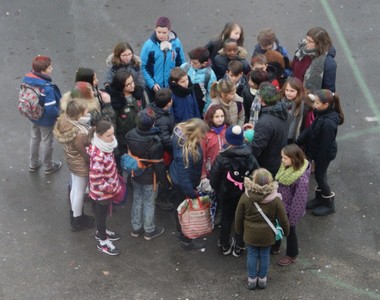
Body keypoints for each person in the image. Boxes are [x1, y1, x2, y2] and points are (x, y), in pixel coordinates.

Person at [235, 168, 289, 290]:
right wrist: (286, 231)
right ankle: (262, 280)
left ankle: (252, 280)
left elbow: (238, 216)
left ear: (253, 180)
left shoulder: (245, 196)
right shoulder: (275, 199)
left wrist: (239, 231)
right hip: (267, 235)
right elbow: (283, 219)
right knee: (265, 255)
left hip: (250, 234)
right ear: (270, 181)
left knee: (252, 254)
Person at [210, 125, 259, 257]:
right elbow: (257, 175)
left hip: (226, 195)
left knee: (226, 218)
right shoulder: (250, 156)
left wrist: (219, 190)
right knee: (241, 219)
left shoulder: (222, 158)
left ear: (228, 140)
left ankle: (225, 244)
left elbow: (214, 178)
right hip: (244, 195)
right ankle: (239, 246)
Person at [296, 90, 344, 216]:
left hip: (323, 154)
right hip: (318, 152)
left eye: (317, 103)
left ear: (326, 104)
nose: (314, 105)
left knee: (320, 176)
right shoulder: (322, 114)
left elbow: (325, 146)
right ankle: (319, 198)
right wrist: (299, 140)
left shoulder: (328, 123)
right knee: (320, 176)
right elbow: (312, 128)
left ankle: (329, 203)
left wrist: (316, 159)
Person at [125, 109, 171, 240]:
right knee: (149, 202)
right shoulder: (155, 141)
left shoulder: (130, 134)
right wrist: (165, 183)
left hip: (135, 172)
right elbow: (159, 165)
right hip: (150, 176)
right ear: (152, 124)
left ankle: (136, 228)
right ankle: (149, 230)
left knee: (137, 199)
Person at [54, 99, 94, 231]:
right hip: (80, 164)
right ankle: (78, 220)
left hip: (72, 161)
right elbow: (84, 151)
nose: (88, 111)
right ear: (79, 114)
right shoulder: (79, 132)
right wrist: (91, 160)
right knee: (79, 191)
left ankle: (75, 214)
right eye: (85, 110)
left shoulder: (67, 122)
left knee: (75, 188)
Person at [169, 118, 209, 250]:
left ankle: (180, 232)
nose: (203, 138)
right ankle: (186, 240)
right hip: (183, 186)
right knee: (185, 211)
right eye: (201, 136)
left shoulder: (179, 136)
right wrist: (192, 194)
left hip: (176, 177)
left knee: (179, 207)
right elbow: (184, 178)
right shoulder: (186, 153)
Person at [87, 120, 124, 256]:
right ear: (100, 135)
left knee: (100, 216)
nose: (112, 138)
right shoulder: (99, 155)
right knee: (101, 217)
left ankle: (101, 232)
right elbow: (97, 181)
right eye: (109, 135)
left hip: (103, 192)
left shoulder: (105, 146)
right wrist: (112, 188)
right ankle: (103, 241)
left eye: (113, 134)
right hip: (102, 194)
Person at [22, 55, 62, 174]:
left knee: (34, 138)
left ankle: (33, 163)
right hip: (45, 120)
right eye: (50, 67)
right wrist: (59, 116)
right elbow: (50, 109)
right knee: (47, 141)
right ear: (43, 71)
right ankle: (48, 166)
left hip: (33, 115)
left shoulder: (27, 79)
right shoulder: (46, 87)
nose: (52, 69)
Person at [274, 144, 311, 265]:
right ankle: (275, 246)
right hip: (281, 206)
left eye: (285, 158)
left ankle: (292, 254)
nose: (282, 160)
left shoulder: (300, 179)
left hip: (289, 211)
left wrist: (292, 220)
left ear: (294, 159)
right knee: (276, 225)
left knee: (290, 232)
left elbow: (299, 200)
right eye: (282, 157)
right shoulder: (287, 167)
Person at [105, 69, 146, 165]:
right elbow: (112, 123)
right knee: (124, 162)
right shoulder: (116, 102)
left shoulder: (138, 94)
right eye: (128, 84)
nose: (132, 85)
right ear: (120, 86)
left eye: (132, 82)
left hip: (139, 134)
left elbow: (145, 108)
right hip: (123, 139)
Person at [140, 16, 186, 101]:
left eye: (164, 33)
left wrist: (177, 80)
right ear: (155, 29)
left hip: (172, 86)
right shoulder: (148, 46)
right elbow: (143, 67)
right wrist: (152, 84)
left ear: (169, 31)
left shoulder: (176, 43)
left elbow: (181, 63)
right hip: (155, 88)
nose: (161, 35)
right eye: (159, 32)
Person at [250, 82, 288, 177]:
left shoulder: (265, 122)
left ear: (262, 100)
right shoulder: (282, 111)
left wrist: (247, 140)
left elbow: (255, 148)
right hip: (277, 159)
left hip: (265, 166)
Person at [150, 89, 176, 211]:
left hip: (159, 150)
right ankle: (161, 198)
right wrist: (176, 146)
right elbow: (166, 140)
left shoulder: (155, 109)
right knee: (164, 177)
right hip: (162, 153)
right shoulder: (163, 119)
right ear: (169, 103)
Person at [292, 27, 337, 92]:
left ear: (319, 44)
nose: (306, 42)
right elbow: (293, 67)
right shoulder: (301, 50)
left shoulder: (328, 63)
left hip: (312, 97)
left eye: (310, 41)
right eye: (306, 39)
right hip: (295, 90)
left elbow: (329, 89)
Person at [181, 47, 217, 114]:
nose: (191, 64)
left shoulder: (210, 75)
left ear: (204, 63)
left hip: (199, 106)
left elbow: (210, 95)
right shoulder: (184, 67)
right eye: (191, 61)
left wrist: (206, 111)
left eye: (195, 63)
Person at [201, 104, 228, 181]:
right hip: (211, 167)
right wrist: (203, 172)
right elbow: (203, 154)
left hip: (225, 166)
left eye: (222, 116)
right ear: (211, 117)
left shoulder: (226, 130)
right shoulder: (206, 134)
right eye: (217, 117)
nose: (220, 119)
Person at [280, 77, 308, 144]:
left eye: (292, 91)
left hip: (293, 139)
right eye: (287, 90)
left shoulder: (304, 105)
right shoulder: (280, 101)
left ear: (299, 92)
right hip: (280, 135)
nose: (288, 93)